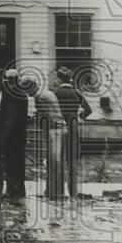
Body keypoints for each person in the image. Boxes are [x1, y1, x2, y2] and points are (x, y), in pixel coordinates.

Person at [54, 66, 92, 198]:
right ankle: (73, 192)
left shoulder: (55, 92)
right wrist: (78, 117)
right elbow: (88, 110)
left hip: (59, 128)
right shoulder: (77, 92)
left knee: (58, 160)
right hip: (73, 128)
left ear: (59, 78)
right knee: (72, 161)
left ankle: (59, 192)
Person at [33, 79, 67, 200]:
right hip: (61, 128)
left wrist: (38, 122)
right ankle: (59, 190)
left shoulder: (39, 97)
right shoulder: (47, 93)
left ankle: (53, 192)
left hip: (53, 130)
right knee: (58, 162)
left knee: (53, 162)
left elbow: (44, 116)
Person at [3, 69, 30, 200]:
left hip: (10, 134)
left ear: (9, 80)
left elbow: (9, 116)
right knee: (19, 163)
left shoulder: (8, 93)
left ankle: (10, 190)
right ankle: (20, 190)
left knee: (9, 162)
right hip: (21, 133)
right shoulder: (23, 94)